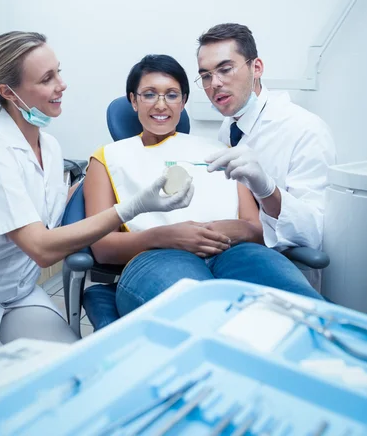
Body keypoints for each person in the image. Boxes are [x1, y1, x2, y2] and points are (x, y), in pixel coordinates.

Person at [0, 32, 193, 357]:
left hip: (18, 294)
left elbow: (57, 205)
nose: (62, 84)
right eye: (47, 78)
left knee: (73, 369)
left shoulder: (50, 146)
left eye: (58, 71)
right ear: (8, 92)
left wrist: (114, 174)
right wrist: (133, 206)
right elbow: (41, 248)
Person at [83, 54, 322, 331]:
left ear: (183, 102)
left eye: (172, 95)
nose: (161, 104)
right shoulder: (108, 158)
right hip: (156, 258)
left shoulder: (221, 150)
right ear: (133, 101)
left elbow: (256, 230)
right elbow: (101, 248)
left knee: (304, 312)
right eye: (149, 94)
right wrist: (166, 237)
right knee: (208, 320)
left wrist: (215, 230)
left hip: (235, 253)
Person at [196, 23, 337, 287]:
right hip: (232, 264)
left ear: (256, 68)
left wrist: (267, 189)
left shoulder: (305, 130)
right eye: (205, 76)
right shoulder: (229, 128)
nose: (215, 83)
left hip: (284, 272)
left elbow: (314, 234)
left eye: (226, 69)